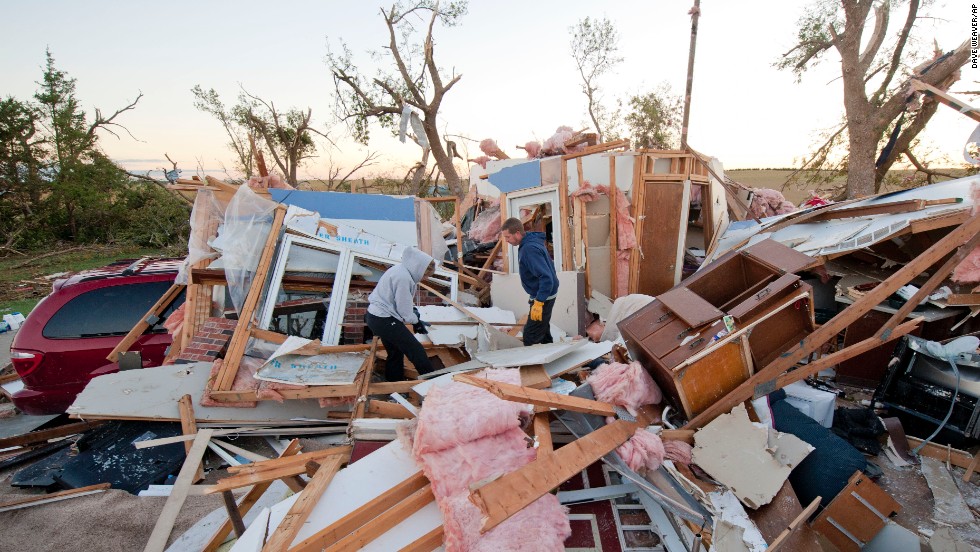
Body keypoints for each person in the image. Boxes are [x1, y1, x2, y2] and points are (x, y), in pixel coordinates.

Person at [365, 247, 435, 381]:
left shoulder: (400, 269)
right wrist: (415, 320)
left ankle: (394, 387)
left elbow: (399, 302)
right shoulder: (403, 278)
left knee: (395, 352)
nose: (425, 278)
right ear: (419, 269)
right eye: (425, 275)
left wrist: (414, 314)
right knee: (416, 350)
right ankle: (433, 383)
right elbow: (404, 312)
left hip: (375, 316)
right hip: (383, 319)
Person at [499, 217, 559, 345]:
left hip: (544, 296)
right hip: (541, 294)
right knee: (543, 331)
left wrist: (539, 302)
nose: (507, 241)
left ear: (517, 233)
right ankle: (551, 358)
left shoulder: (529, 249)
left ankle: (533, 364)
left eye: (508, 237)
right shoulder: (530, 242)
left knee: (530, 336)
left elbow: (546, 277)